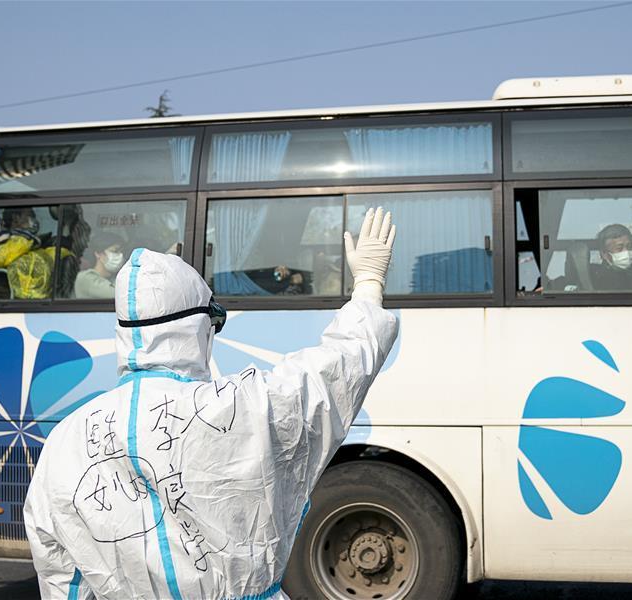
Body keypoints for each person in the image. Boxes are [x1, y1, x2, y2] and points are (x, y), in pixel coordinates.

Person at [24, 207, 398, 600]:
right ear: (200, 327)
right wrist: (369, 285)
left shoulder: (66, 440)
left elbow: (59, 571)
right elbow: (336, 371)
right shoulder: (243, 407)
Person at [75, 233, 126, 299]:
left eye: (121, 251)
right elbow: (119, 295)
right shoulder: (85, 278)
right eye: (115, 251)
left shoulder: (114, 278)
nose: (120, 255)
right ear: (98, 254)